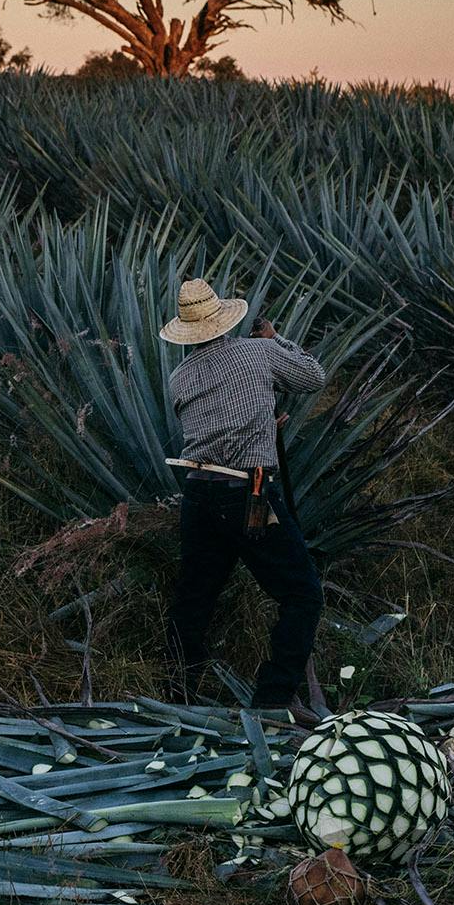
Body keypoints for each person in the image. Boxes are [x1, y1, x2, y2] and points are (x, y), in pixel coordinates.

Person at [159, 278, 326, 710]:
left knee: (194, 600)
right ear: (223, 319)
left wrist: (262, 428)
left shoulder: (179, 377)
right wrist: (276, 339)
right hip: (248, 494)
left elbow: (210, 430)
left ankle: (177, 698)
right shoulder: (259, 352)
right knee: (302, 593)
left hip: (199, 496)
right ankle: (271, 701)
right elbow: (313, 376)